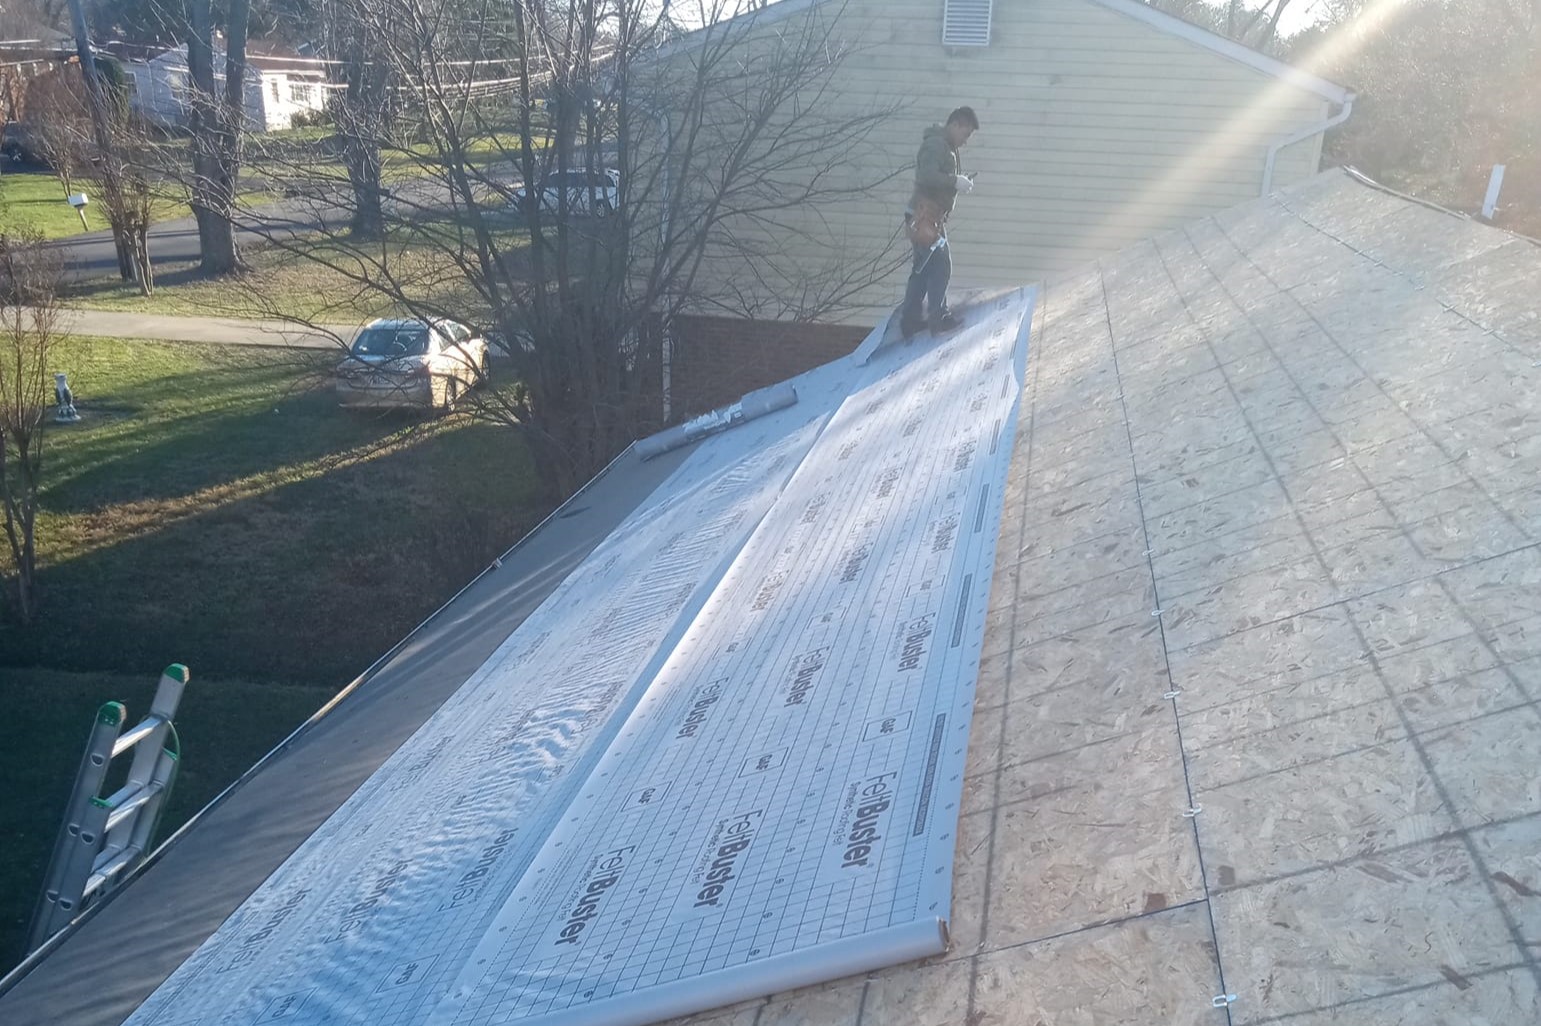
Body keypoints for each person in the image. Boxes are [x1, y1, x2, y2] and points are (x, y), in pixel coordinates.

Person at [901, 106, 979, 338]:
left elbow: (938, 178)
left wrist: (958, 182)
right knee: (941, 266)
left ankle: (911, 321)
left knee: (923, 270)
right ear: (956, 124)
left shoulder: (947, 147)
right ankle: (939, 318)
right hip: (924, 217)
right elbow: (926, 175)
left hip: (929, 217)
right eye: (966, 134)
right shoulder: (936, 144)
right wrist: (955, 181)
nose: (965, 142)